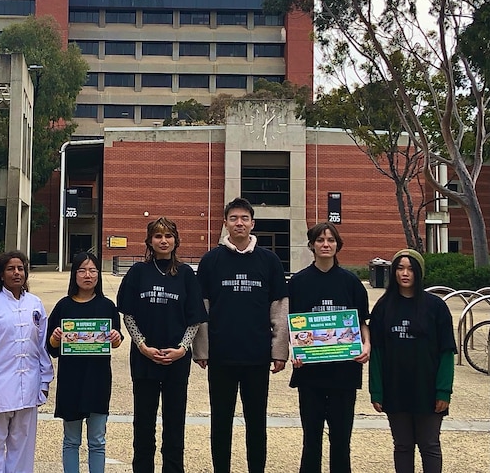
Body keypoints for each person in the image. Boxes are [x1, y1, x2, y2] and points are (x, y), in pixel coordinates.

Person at [192, 198, 289, 473]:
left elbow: (279, 309)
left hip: (257, 357)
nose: (239, 223)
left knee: (256, 423)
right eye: (233, 218)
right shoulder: (211, 261)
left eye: (244, 218)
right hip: (222, 358)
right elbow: (203, 308)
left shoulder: (269, 261)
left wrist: (279, 351)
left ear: (252, 223)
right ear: (225, 223)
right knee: (220, 423)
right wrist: (202, 349)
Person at [117, 217, 205, 473]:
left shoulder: (187, 274)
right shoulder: (137, 272)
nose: (163, 241)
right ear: (149, 241)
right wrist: (142, 345)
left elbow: (195, 317)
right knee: (143, 425)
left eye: (168, 236)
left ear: (176, 240)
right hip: (145, 359)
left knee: (174, 426)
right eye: (158, 236)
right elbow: (128, 314)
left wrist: (182, 348)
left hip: (176, 362)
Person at [288, 223, 370, 473]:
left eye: (331, 240)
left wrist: (366, 344)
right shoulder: (299, 282)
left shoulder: (351, 282)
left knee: (341, 441)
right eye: (320, 240)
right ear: (311, 245)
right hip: (310, 374)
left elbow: (362, 322)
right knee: (310, 440)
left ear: (337, 245)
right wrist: (295, 351)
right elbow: (293, 324)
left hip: (344, 373)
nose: (326, 244)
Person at [369, 249, 455, 473]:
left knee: (430, 445)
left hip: (427, 388)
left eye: (410, 269)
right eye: (399, 268)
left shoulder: (436, 307)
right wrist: (376, 392)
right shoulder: (383, 307)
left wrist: (443, 391)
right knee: (403, 446)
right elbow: (376, 353)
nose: (405, 273)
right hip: (395, 387)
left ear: (419, 272)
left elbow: (446, 352)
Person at [0, 250, 54, 473]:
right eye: (11, 269)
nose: (17, 273)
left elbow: (41, 346)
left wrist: (44, 381)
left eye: (20, 268)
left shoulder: (35, 304)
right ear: (1, 274)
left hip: (29, 387)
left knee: (23, 447)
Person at [46, 252, 123, 473]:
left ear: (98, 275)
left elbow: (115, 340)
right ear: (74, 275)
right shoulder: (63, 306)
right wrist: (55, 338)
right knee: (71, 440)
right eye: (82, 270)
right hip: (71, 381)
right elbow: (50, 347)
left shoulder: (107, 306)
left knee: (97, 441)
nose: (87, 275)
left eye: (92, 270)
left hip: (97, 380)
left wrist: (116, 339)